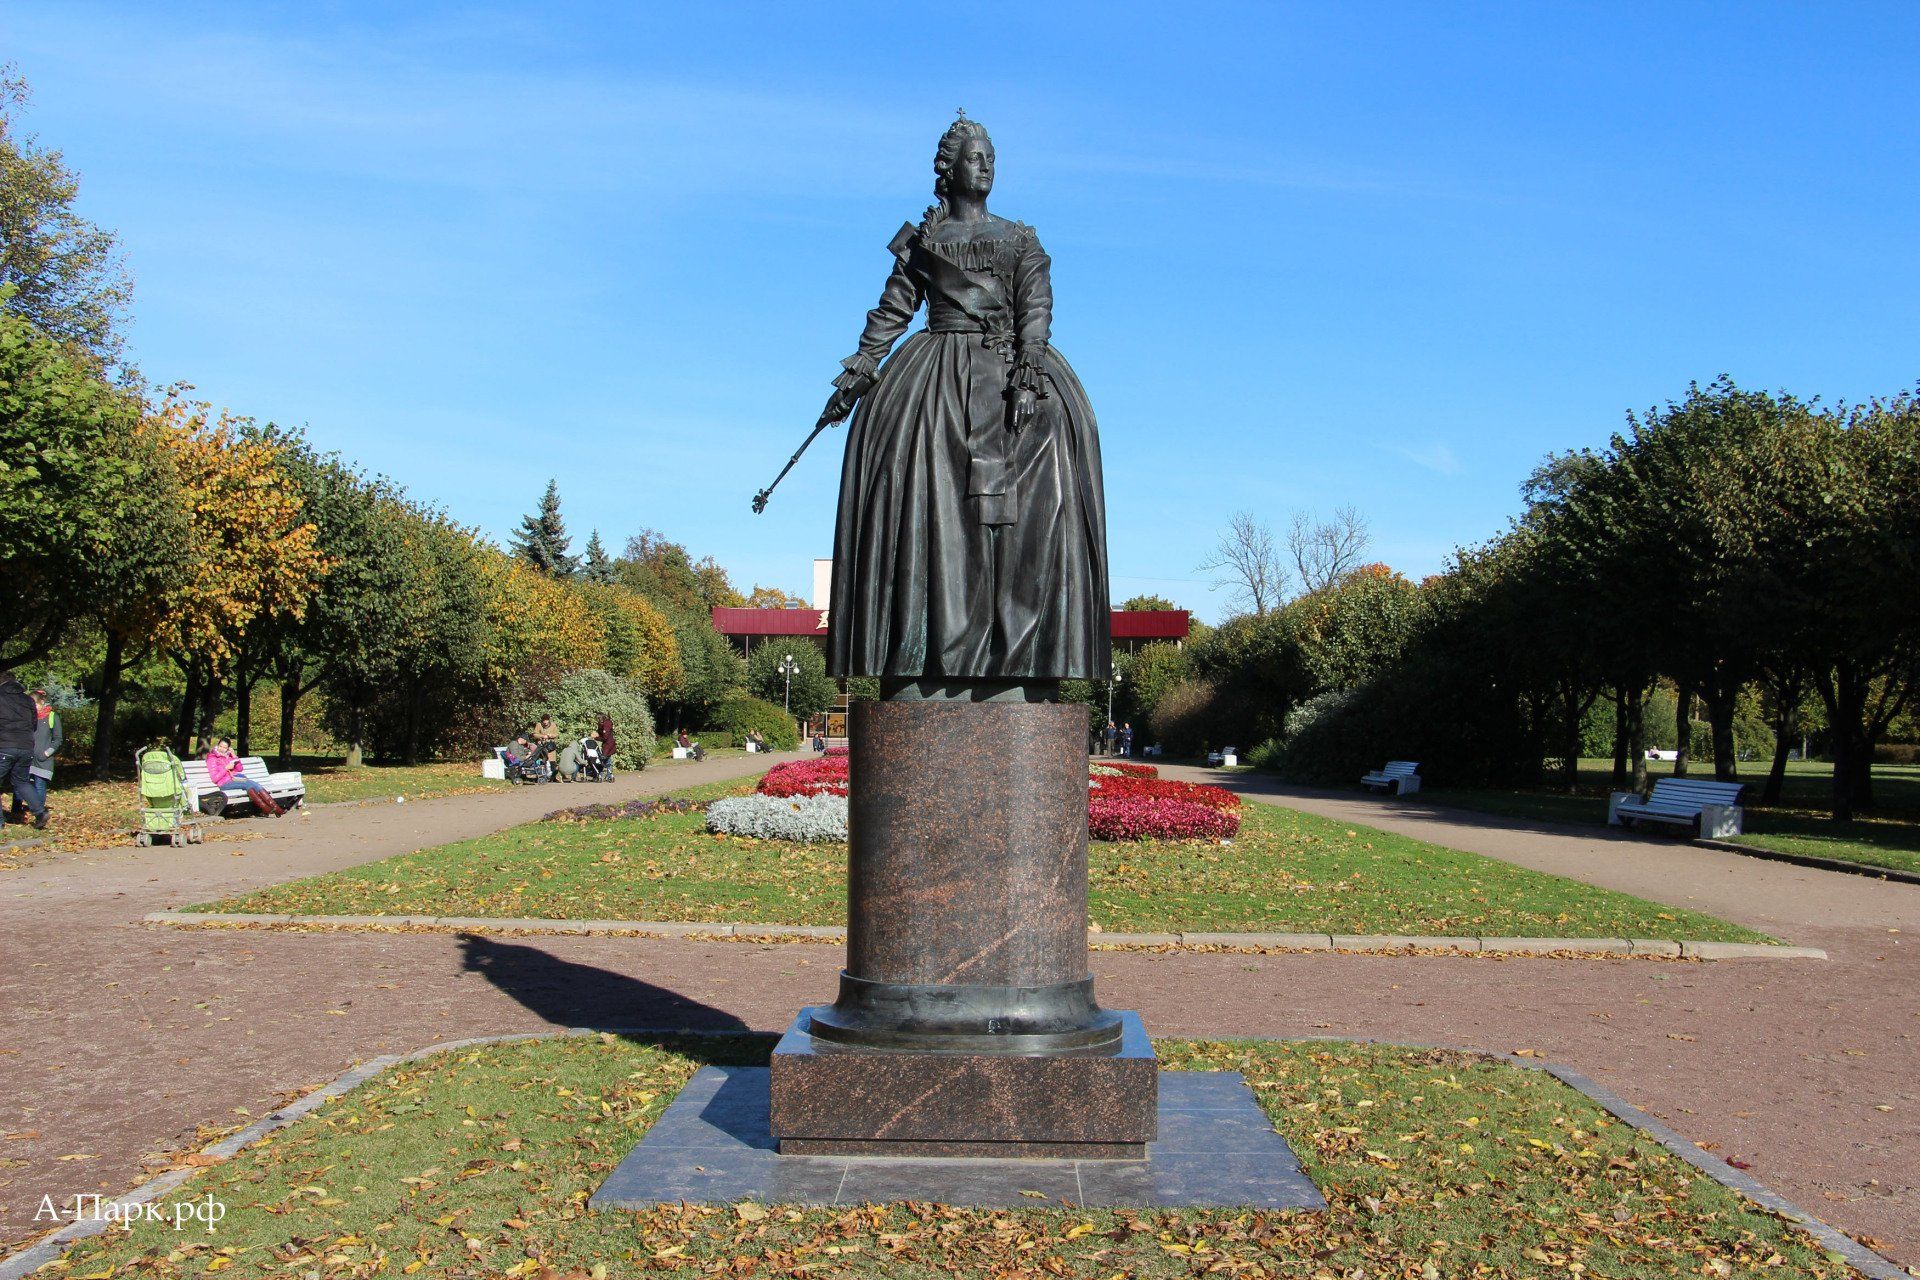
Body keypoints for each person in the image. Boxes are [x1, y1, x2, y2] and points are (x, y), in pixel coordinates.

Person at [820, 114, 1109, 693]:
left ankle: (1022, 654)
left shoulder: (1021, 239)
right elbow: (894, 309)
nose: (986, 165)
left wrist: (1029, 370)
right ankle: (919, 656)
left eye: (992, 157)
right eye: (975, 157)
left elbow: (1036, 307)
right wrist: (861, 366)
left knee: (1053, 455)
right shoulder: (924, 242)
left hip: (1009, 367)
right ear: (948, 169)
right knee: (918, 477)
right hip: (934, 374)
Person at [0, 670, 47, 830]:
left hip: (5, 745)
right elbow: (34, 723)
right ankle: (40, 812)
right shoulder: (27, 699)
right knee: (22, 781)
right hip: (26, 745)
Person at [9, 689, 60, 825]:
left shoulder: (51, 717)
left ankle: (39, 811)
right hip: (26, 756)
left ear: (41, 702)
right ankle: (17, 809)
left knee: (39, 784)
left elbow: (57, 739)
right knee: (21, 782)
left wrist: (47, 753)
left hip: (43, 759)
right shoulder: (28, 716)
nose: (33, 707)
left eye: (35, 704)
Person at [204, 737, 282, 816]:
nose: (222, 749)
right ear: (217, 745)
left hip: (234, 780)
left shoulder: (228, 757)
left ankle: (273, 808)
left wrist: (234, 756)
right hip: (224, 783)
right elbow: (214, 779)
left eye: (224, 747)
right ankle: (269, 808)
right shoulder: (212, 758)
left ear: (228, 749)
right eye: (220, 746)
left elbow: (240, 769)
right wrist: (226, 768)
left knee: (253, 785)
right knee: (248, 784)